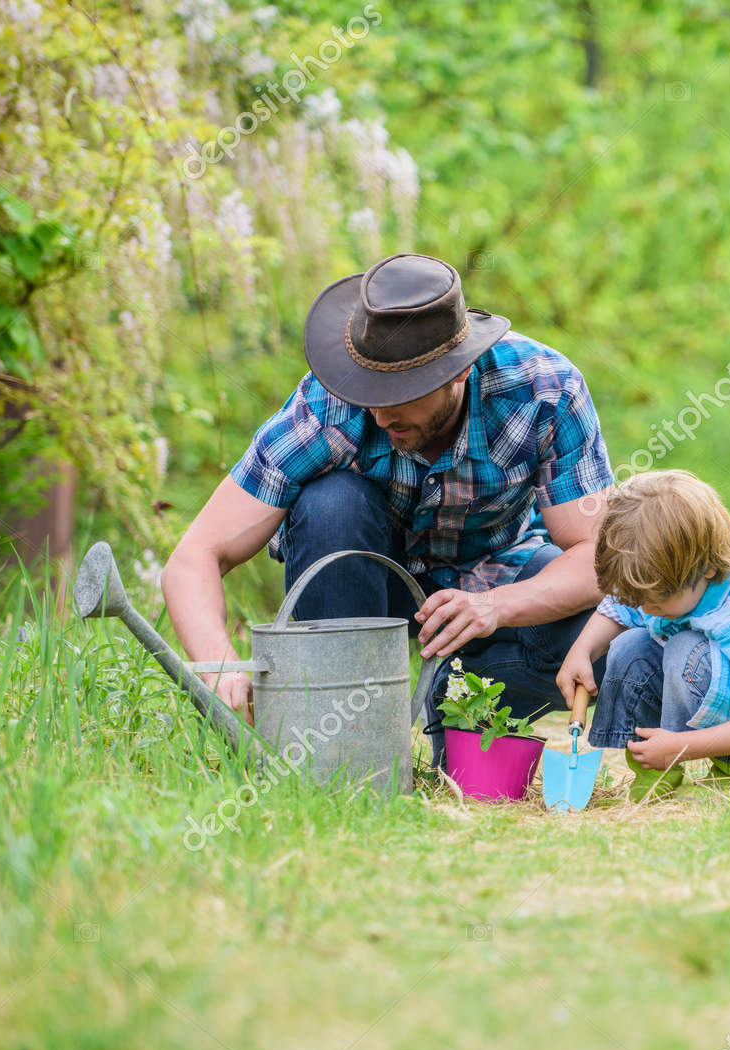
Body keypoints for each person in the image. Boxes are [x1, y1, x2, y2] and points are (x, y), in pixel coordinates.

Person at [161, 253, 614, 765]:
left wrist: (497, 606)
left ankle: (462, 707)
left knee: (598, 629)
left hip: (497, 580)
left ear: (459, 372)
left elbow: (598, 556)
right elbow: (194, 556)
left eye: (401, 392)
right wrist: (219, 666)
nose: (379, 411)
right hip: (363, 587)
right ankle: (348, 743)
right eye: (369, 388)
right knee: (331, 503)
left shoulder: (544, 389)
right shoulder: (330, 405)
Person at [556, 470, 730, 800]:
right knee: (627, 647)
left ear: (707, 568)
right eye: (639, 599)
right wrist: (582, 650)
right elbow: (621, 607)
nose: (645, 610)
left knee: (684, 651)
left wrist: (680, 746)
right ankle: (657, 775)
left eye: (657, 601)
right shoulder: (671, 579)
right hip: (725, 691)